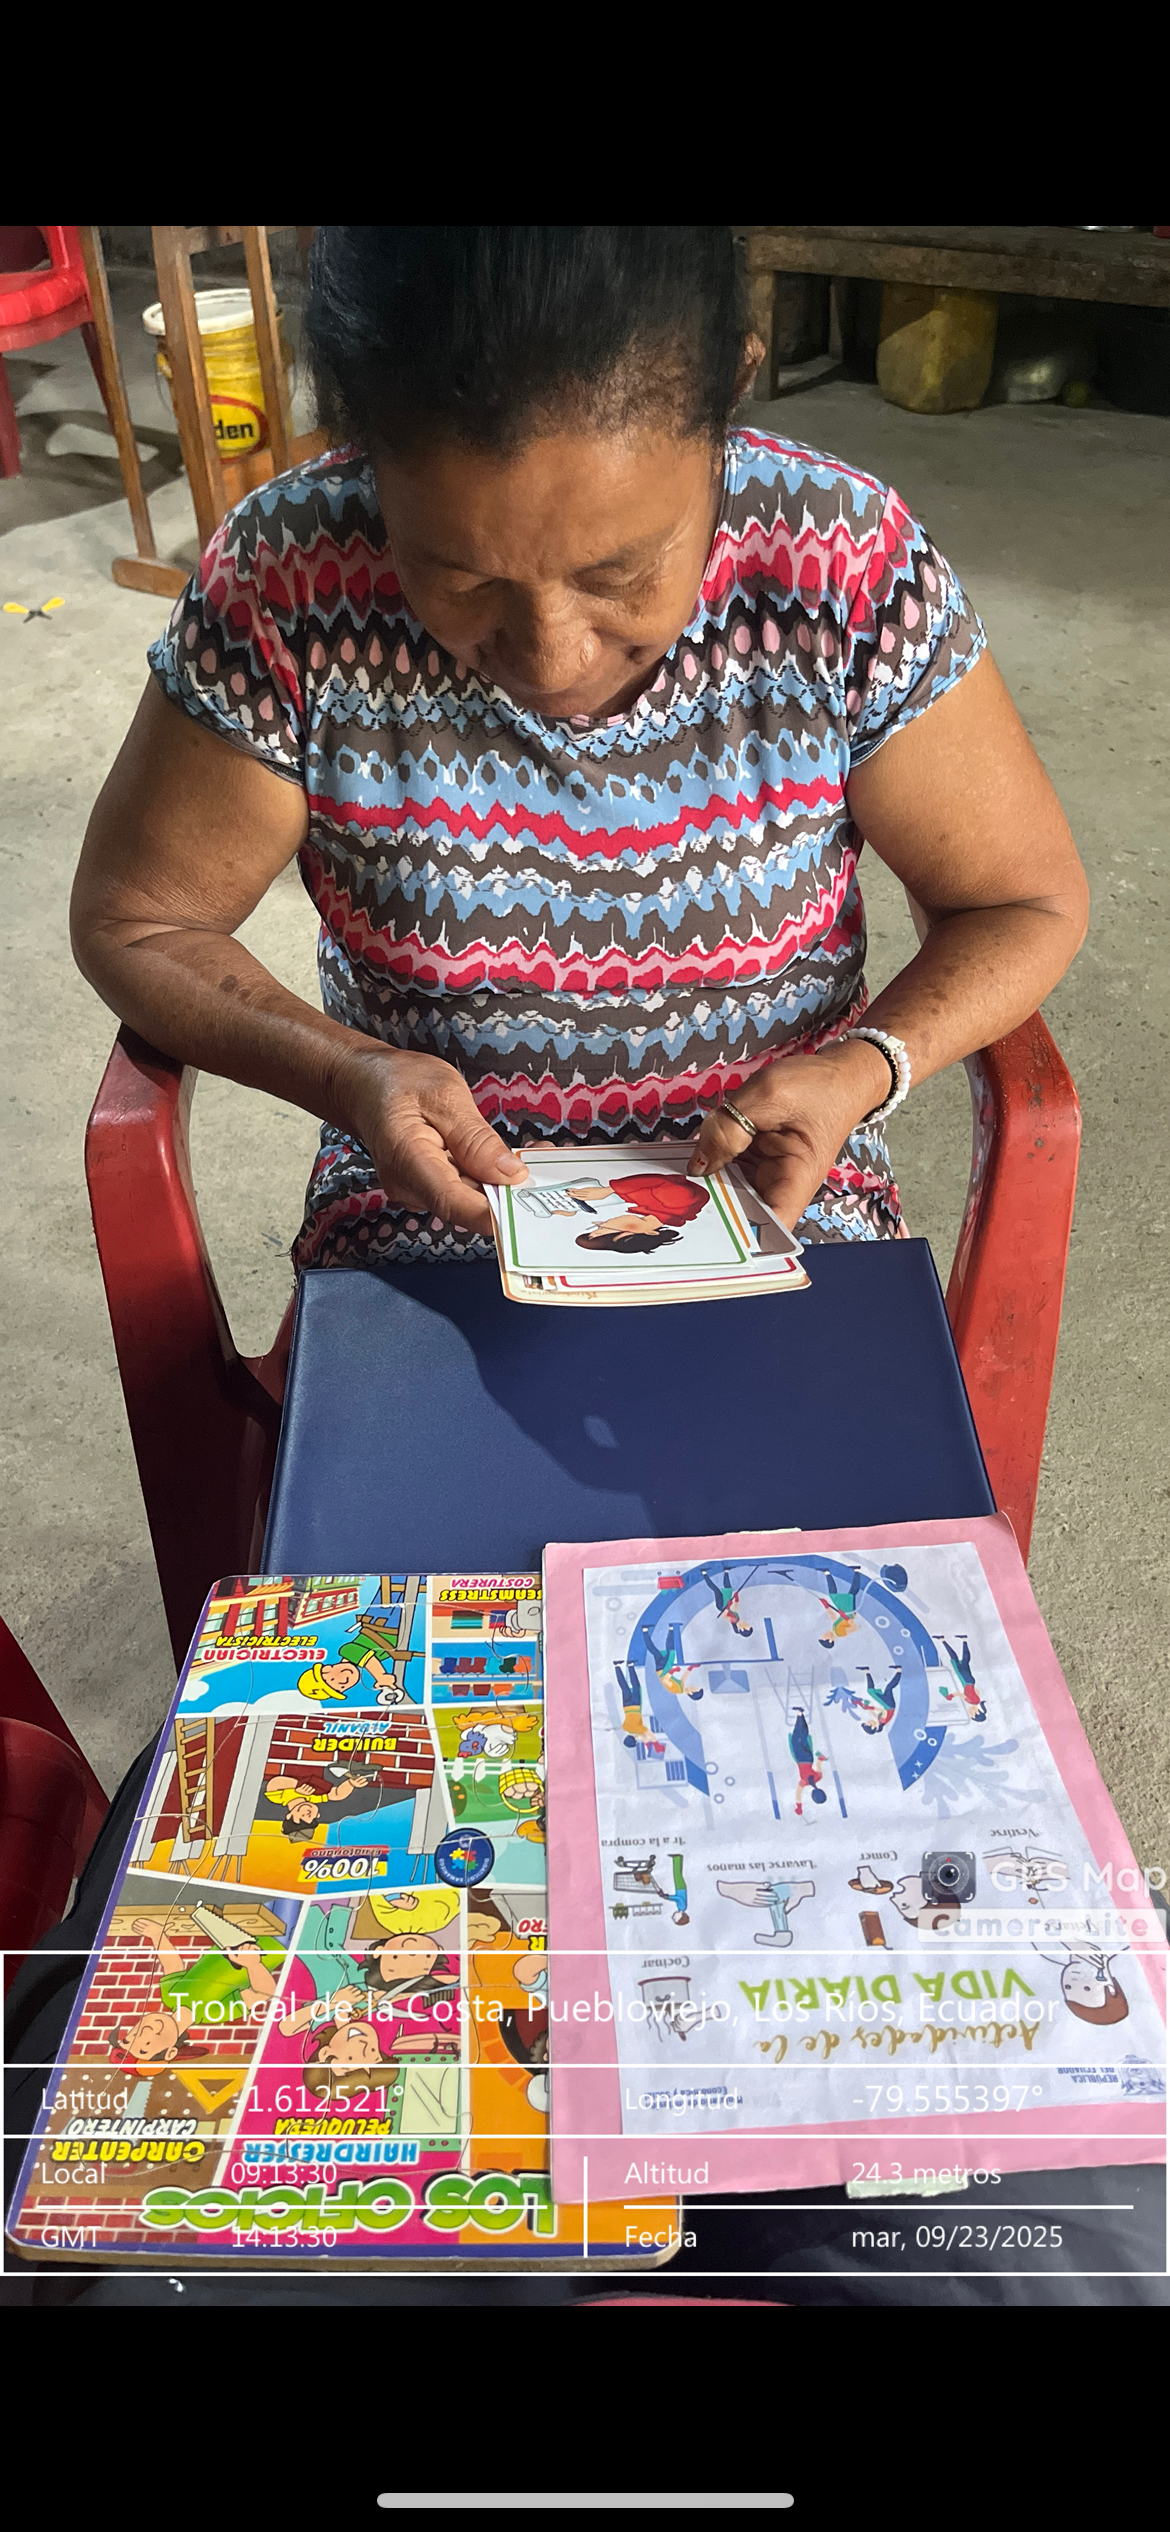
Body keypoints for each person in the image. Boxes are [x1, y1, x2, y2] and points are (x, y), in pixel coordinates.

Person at [69, 227, 1088, 1275]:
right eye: (461, 578)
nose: (552, 655)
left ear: (730, 394)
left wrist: (863, 1068)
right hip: (430, 1205)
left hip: (782, 1193)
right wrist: (347, 1072)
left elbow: (1022, 900)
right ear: (359, 444)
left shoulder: (841, 565)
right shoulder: (291, 581)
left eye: (620, 573)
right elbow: (141, 922)